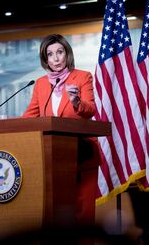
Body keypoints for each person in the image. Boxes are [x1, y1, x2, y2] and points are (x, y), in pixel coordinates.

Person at [22, 34, 98, 227]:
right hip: (53, 158)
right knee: (59, 215)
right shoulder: (40, 83)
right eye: (50, 54)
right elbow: (30, 116)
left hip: (82, 153)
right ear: (45, 59)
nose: (55, 58)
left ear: (67, 53)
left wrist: (77, 102)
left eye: (59, 52)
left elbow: (91, 110)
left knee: (83, 214)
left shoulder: (82, 77)